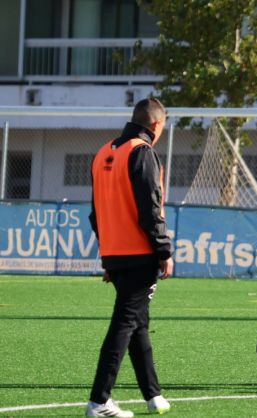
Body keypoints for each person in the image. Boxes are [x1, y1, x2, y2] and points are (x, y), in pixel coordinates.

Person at [85, 98, 174, 417]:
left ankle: (153, 395)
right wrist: (164, 250)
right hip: (140, 254)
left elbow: (95, 214)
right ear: (156, 125)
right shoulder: (142, 152)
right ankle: (99, 400)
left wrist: (107, 254)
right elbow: (150, 209)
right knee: (125, 323)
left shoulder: (103, 152)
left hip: (115, 254)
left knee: (137, 323)